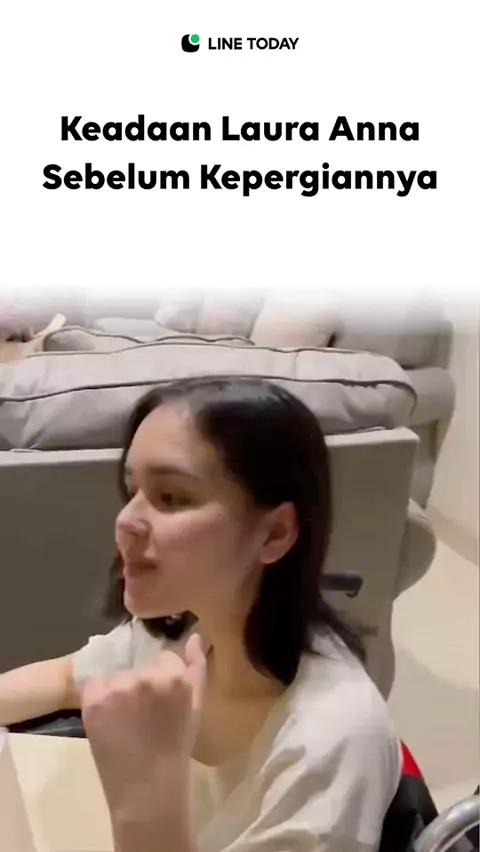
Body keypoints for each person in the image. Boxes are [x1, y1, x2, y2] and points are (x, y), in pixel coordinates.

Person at [0, 376, 401, 851]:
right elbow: (68, 677)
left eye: (171, 497)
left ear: (275, 533)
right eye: (132, 490)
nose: (125, 520)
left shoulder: (331, 744)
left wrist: (144, 798)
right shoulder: (186, 628)